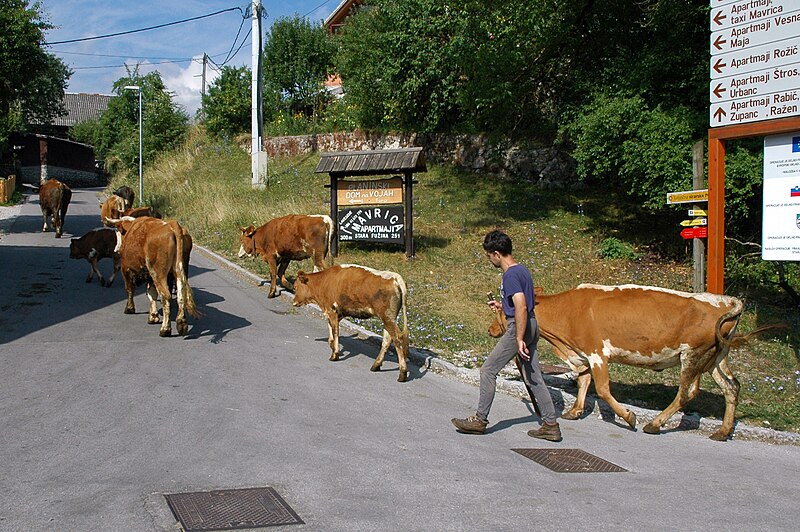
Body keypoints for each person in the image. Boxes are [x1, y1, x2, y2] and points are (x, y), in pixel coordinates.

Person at [451, 230, 562, 441]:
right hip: (532, 323)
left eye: (488, 255)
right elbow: (521, 303)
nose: (489, 260)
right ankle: (551, 425)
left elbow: (520, 306)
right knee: (534, 376)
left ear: (496, 253)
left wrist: (518, 338)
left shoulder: (510, 274)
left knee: (488, 370)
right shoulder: (522, 270)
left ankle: (480, 420)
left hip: (518, 326)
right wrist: (503, 305)